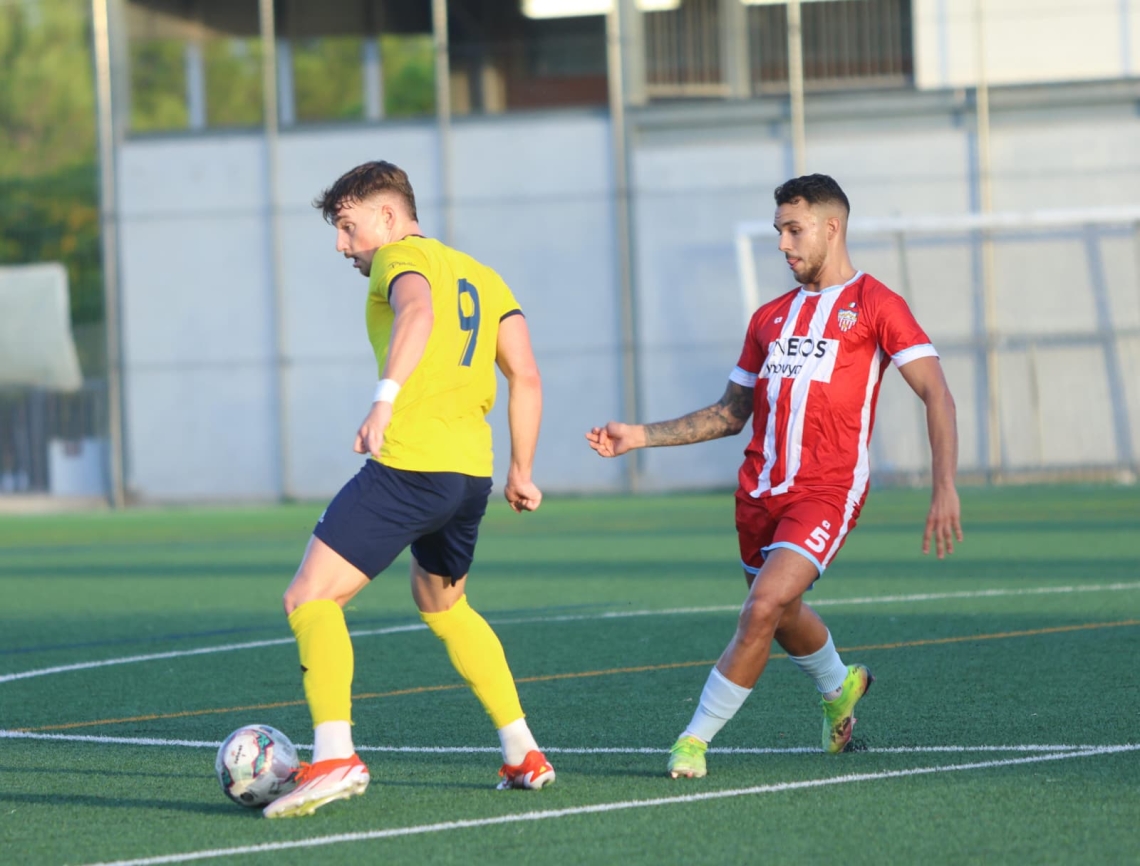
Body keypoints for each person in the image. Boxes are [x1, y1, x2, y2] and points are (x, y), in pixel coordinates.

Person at [586, 173, 962, 779]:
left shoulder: (876, 306)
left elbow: (938, 396)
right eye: (779, 231)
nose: (784, 244)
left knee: (762, 606)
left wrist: (944, 486)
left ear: (831, 227)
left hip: (827, 492)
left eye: (795, 230)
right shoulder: (769, 319)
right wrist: (640, 435)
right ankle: (840, 688)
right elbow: (731, 413)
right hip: (758, 493)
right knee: (781, 612)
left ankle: (693, 740)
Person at [264, 160, 554, 819]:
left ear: (388, 217)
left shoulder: (399, 259)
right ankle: (522, 752)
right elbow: (527, 376)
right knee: (444, 604)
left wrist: (385, 401)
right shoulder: (485, 276)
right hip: (468, 476)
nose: (343, 244)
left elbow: (418, 311)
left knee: (309, 597)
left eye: (347, 226)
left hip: (411, 465)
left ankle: (335, 757)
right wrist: (522, 469)